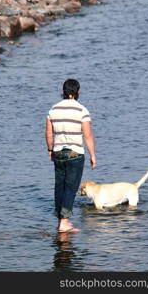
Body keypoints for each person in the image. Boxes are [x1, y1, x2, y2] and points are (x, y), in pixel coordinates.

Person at [46, 79, 97, 233]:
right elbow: (87, 136)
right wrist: (93, 155)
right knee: (71, 186)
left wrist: (50, 150)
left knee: (59, 186)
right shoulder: (82, 110)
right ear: (77, 92)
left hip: (58, 152)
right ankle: (65, 222)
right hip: (75, 153)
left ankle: (60, 220)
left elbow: (49, 133)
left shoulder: (53, 109)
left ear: (63, 91)